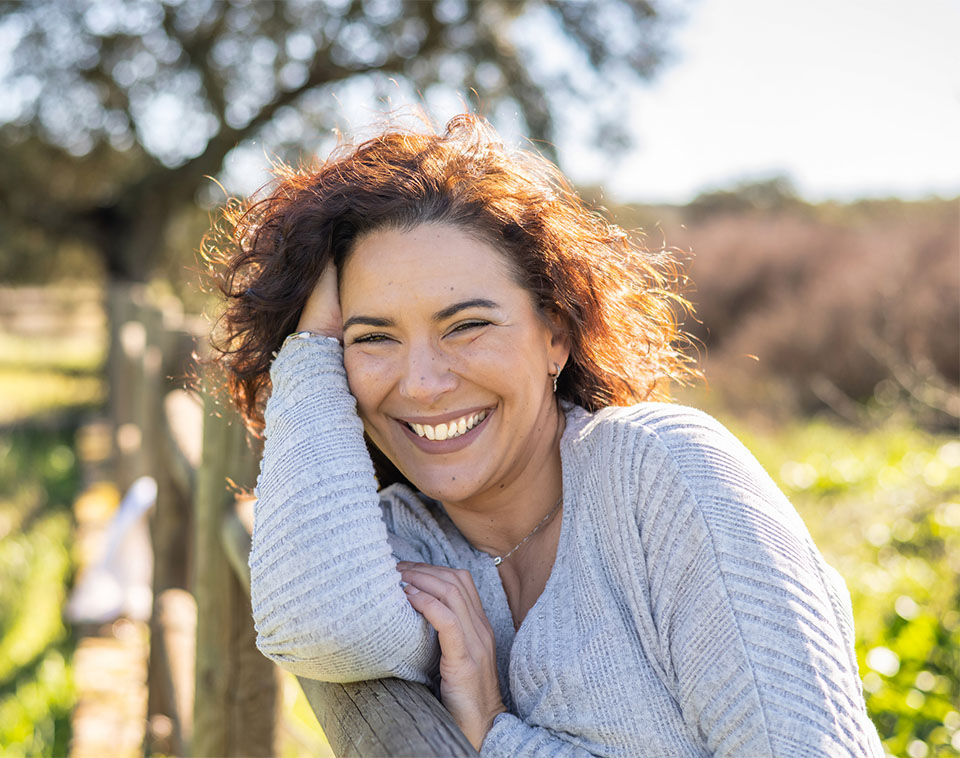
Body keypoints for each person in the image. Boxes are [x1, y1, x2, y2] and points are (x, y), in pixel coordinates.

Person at [210, 113, 883, 756]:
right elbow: (322, 624)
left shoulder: (662, 473)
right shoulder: (403, 541)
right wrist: (308, 349)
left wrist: (497, 737)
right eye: (372, 337)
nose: (420, 383)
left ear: (555, 333)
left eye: (467, 325)